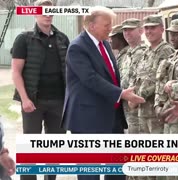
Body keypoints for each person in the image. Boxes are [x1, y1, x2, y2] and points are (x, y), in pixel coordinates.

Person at [61, 6, 145, 180]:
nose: (111, 29)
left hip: (111, 115)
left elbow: (112, 76)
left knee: (115, 169)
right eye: (106, 25)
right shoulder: (77, 47)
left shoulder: (105, 44)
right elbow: (90, 79)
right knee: (89, 170)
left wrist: (123, 94)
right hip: (87, 118)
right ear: (92, 26)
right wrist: (121, 94)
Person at [11, 0, 69, 180]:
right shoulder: (24, 39)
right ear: (34, 14)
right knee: (30, 148)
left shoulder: (62, 38)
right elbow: (15, 72)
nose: (47, 14)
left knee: (54, 147)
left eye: (50, 11)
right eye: (43, 11)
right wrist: (25, 99)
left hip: (59, 102)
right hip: (33, 102)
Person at [130, 15, 174, 134]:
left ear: (162, 29)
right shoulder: (146, 52)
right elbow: (138, 76)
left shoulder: (166, 51)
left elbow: (166, 79)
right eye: (147, 28)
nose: (149, 31)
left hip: (156, 111)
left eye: (153, 28)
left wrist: (140, 95)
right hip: (142, 111)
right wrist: (132, 94)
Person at [121, 18, 147, 134]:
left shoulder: (144, 52)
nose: (127, 33)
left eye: (131, 30)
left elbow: (144, 78)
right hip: (126, 106)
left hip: (137, 106)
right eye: (125, 30)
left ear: (141, 31)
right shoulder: (127, 53)